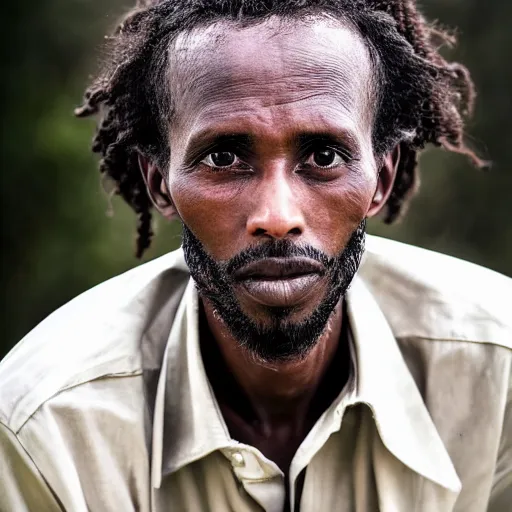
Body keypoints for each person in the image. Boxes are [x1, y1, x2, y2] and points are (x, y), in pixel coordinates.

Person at [0, 0, 510, 510]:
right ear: (160, 184)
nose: (277, 215)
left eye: (324, 156)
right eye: (224, 157)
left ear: (382, 177)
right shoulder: (43, 428)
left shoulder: (499, 375)